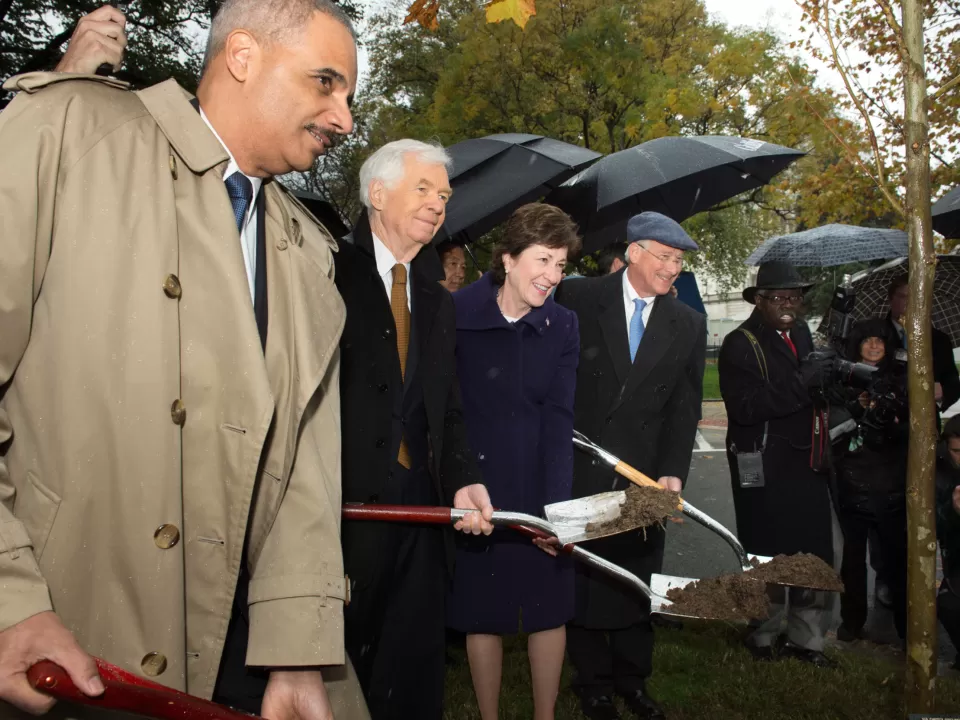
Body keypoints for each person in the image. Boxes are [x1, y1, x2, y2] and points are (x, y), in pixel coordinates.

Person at [0, 0, 367, 718]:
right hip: (71, 633)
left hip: (236, 656)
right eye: (326, 82)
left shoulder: (307, 252)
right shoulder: (63, 134)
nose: (344, 118)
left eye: (349, 95)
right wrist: (10, 599)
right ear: (243, 56)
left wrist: (295, 649)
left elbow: (303, 475)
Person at [334, 139, 495, 720]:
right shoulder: (324, 273)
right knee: (339, 664)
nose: (437, 205)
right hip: (341, 513)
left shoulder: (435, 299)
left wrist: (463, 480)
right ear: (377, 194)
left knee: (410, 665)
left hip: (421, 514)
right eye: (423, 189)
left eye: (444, 195)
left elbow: (445, 405)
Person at [554, 212, 706, 720]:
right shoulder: (577, 298)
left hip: (644, 473)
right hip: (582, 463)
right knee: (588, 576)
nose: (672, 269)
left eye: (679, 261)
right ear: (635, 252)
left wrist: (672, 471)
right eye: (665, 257)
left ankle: (633, 681)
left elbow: (684, 408)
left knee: (637, 579)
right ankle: (592, 683)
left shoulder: (686, 321)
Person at [447, 203, 581, 720]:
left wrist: (559, 512)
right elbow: (447, 408)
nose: (551, 276)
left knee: (549, 608)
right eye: (542, 260)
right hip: (477, 485)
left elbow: (559, 418)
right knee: (483, 611)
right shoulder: (457, 315)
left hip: (539, 482)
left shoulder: (562, 325)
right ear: (508, 258)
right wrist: (461, 479)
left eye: (561, 266)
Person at [719, 261, 837, 668]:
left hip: (807, 462)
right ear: (761, 300)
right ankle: (761, 634)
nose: (790, 305)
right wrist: (802, 382)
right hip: (764, 467)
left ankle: (807, 642)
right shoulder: (740, 343)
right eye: (780, 297)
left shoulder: (803, 334)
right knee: (766, 552)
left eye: (796, 297)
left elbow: (812, 391)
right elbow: (746, 408)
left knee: (810, 553)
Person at [830, 319, 907, 642]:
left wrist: (890, 417)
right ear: (856, 345)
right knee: (852, 562)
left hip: (891, 485)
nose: (874, 346)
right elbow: (831, 433)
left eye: (880, 341)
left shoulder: (901, 381)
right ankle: (852, 621)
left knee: (897, 561)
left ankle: (908, 627)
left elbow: (912, 433)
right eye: (867, 341)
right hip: (850, 484)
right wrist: (856, 410)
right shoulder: (841, 381)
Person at [936, 416, 960, 668]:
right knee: (948, 605)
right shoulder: (940, 476)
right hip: (956, 566)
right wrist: (953, 512)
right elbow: (935, 530)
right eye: (957, 452)